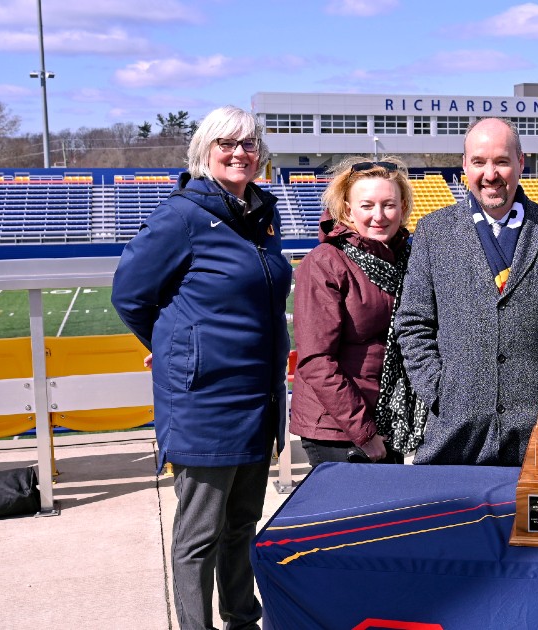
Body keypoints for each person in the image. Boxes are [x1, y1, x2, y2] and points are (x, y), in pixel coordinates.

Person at [111, 105, 291, 629]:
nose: (240, 153)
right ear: (204, 151)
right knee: (200, 533)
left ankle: (241, 617)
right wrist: (175, 347)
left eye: (249, 144)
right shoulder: (181, 216)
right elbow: (130, 295)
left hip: (258, 398)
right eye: (226, 144)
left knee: (243, 524)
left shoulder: (262, 213)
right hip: (205, 400)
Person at [396, 117, 538, 466]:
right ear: (465, 166)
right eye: (479, 162)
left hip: (537, 428)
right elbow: (412, 323)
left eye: (501, 161)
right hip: (454, 431)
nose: (490, 174)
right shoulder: (433, 232)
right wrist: (439, 390)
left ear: (520, 162)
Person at [290, 156, 424, 466]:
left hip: (389, 420)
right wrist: (364, 432)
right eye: (367, 205)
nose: (379, 216)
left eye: (389, 204)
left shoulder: (408, 261)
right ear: (348, 209)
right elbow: (315, 361)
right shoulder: (325, 262)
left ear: (403, 207)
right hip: (338, 431)